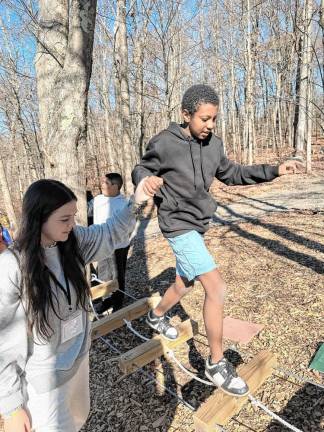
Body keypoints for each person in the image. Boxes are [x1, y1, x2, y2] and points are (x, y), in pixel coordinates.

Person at [132, 84, 303, 397]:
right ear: (186, 115)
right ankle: (216, 362)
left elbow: (233, 173)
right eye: (204, 119)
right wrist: (146, 180)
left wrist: (275, 170)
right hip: (176, 224)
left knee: (185, 281)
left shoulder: (214, 144)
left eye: (214, 119)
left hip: (198, 225)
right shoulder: (165, 143)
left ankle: (156, 316)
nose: (210, 125)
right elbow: (142, 167)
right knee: (216, 287)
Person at [0, 178, 147, 432]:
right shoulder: (12, 266)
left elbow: (110, 233)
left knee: (78, 421)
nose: (72, 224)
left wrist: (137, 201)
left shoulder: (73, 241)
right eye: (64, 219)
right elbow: (3, 344)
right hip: (44, 383)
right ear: (39, 217)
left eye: (73, 216)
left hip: (78, 362)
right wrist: (12, 406)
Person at [88, 173, 133, 312]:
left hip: (118, 247)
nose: (102, 185)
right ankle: (104, 302)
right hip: (101, 245)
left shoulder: (123, 204)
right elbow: (86, 214)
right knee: (103, 274)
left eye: (106, 183)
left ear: (115, 186)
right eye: (102, 182)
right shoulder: (97, 200)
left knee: (117, 275)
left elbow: (129, 226)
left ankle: (117, 304)